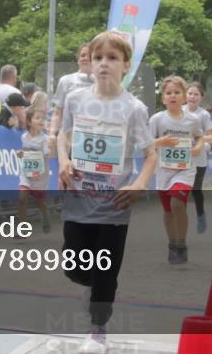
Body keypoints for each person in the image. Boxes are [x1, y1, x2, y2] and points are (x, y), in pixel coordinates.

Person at [57, 31, 158, 354]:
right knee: (74, 267)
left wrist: (140, 183)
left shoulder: (134, 108)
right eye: (98, 58)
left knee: (105, 271)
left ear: (126, 65)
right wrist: (63, 161)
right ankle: (92, 290)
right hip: (78, 198)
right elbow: (63, 135)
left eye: (112, 58)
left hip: (114, 204)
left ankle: (98, 328)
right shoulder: (76, 99)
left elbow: (151, 154)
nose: (103, 64)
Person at [150, 76, 204, 264]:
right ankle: (172, 244)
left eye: (176, 92)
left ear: (183, 97)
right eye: (168, 93)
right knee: (167, 211)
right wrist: (160, 142)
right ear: (163, 98)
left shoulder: (193, 119)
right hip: (164, 171)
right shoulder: (157, 119)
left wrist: (198, 147)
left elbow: (199, 137)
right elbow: (146, 144)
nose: (172, 96)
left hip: (185, 170)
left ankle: (182, 243)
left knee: (177, 204)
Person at [49, 43, 94, 153]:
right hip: (70, 137)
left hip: (94, 137)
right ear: (78, 59)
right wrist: (52, 133)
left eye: (89, 55)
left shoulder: (103, 82)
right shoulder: (66, 81)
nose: (85, 58)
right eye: (82, 55)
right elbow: (58, 111)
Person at [185, 82, 212, 234]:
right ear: (186, 95)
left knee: (196, 191)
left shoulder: (204, 115)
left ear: (201, 98)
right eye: (190, 93)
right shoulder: (178, 111)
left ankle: (201, 215)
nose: (192, 96)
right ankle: (180, 220)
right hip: (181, 159)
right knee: (181, 191)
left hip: (198, 160)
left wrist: (198, 138)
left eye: (196, 94)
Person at [17, 105, 53, 234]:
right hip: (26, 173)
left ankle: (45, 216)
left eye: (42, 119)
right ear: (28, 122)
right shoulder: (24, 137)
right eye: (37, 118)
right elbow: (25, 153)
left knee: (40, 202)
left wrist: (34, 155)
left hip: (41, 174)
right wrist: (21, 154)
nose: (41, 121)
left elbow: (46, 155)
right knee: (22, 198)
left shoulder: (45, 139)